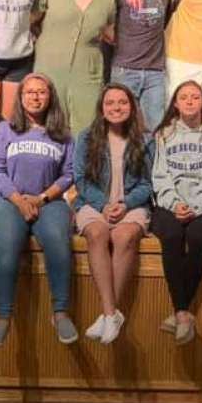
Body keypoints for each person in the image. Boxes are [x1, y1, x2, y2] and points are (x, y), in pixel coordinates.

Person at [0, 74, 77, 348]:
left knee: (58, 240)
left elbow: (68, 174)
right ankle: (3, 317)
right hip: (5, 200)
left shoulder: (63, 135)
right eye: (29, 92)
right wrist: (19, 200)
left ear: (50, 97)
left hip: (49, 201)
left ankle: (59, 312)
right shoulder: (5, 129)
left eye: (41, 92)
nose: (35, 97)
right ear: (20, 98)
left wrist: (41, 199)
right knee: (9, 241)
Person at [72, 84, 154, 344]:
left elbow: (148, 184)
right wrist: (103, 205)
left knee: (124, 237)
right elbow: (81, 180)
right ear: (102, 108)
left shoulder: (146, 139)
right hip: (93, 203)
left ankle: (108, 315)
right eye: (110, 103)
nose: (116, 108)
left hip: (131, 204)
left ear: (132, 107)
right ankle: (111, 313)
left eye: (122, 103)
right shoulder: (86, 137)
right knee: (97, 233)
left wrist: (126, 204)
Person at [151, 81, 202, 345]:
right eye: (184, 97)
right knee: (170, 236)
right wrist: (175, 203)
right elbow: (160, 176)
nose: (190, 101)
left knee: (198, 237)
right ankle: (183, 313)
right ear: (176, 104)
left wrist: (197, 206)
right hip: (171, 203)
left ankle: (179, 312)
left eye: (195, 97)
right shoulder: (163, 135)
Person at [32, 0, 117, 133]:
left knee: (86, 131)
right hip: (50, 70)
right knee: (50, 128)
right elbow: (28, 22)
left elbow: (112, 35)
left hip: (87, 74)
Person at [110, 0, 170, 131]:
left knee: (156, 128)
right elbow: (106, 22)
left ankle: (153, 162)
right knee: (122, 128)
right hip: (125, 70)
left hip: (155, 73)